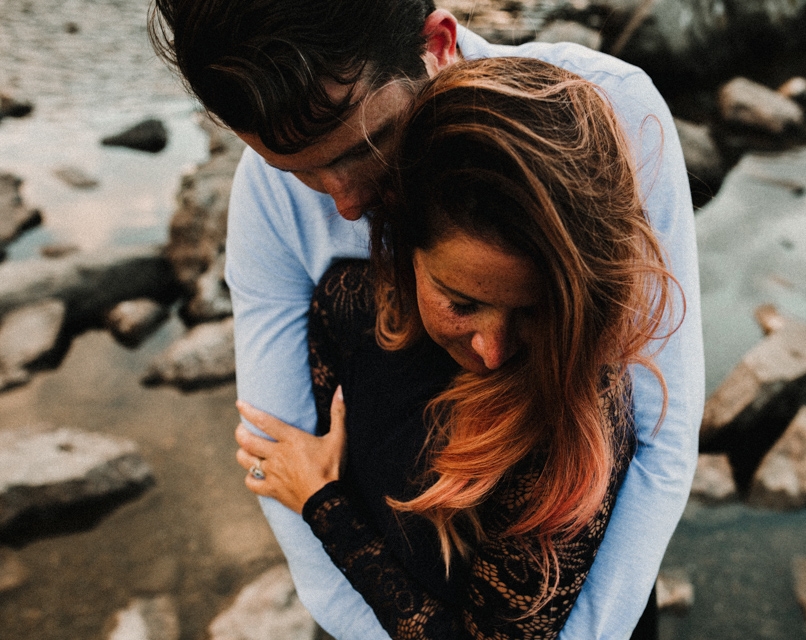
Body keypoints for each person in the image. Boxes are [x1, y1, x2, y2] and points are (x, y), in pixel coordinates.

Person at [149, 2, 704, 638]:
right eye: (298, 170)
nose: (347, 204)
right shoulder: (268, 198)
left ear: (436, 44)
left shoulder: (607, 113)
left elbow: (662, 429)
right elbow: (278, 444)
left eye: (369, 143)